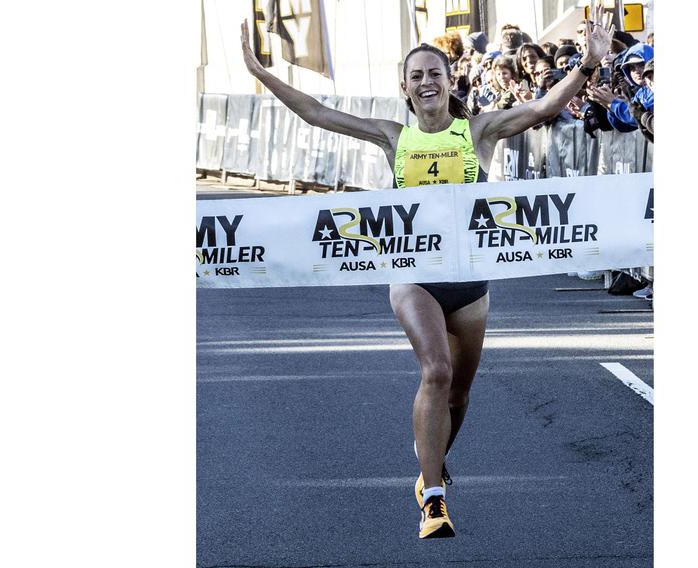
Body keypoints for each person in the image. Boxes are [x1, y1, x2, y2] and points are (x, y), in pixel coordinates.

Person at [239, 2, 614, 539]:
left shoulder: (479, 131)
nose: (426, 82)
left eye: (434, 73)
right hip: (413, 276)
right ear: (406, 88)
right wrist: (261, 73)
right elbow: (316, 112)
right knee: (434, 372)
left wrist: (589, 63)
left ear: (448, 79)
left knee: (459, 394)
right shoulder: (394, 136)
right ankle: (433, 498)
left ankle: (428, 468)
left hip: (470, 280)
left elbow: (542, 108)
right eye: (416, 76)